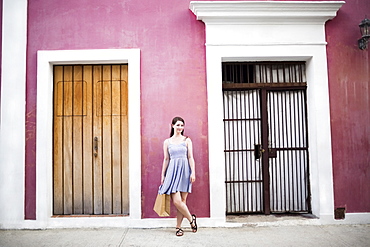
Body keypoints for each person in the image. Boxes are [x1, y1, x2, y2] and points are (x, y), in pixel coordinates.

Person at [158, 116, 197, 237]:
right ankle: (191, 220)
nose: (180, 127)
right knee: (177, 201)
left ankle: (178, 227)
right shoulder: (167, 142)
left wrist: (193, 172)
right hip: (172, 172)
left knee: (183, 201)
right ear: (173, 125)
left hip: (185, 171)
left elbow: (190, 157)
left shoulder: (187, 140)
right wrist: (163, 174)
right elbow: (166, 159)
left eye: (182, 125)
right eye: (178, 125)